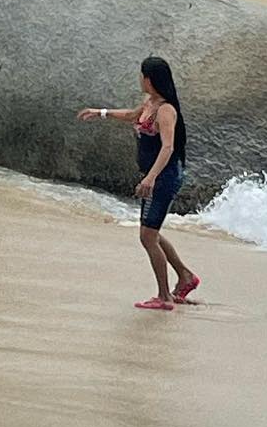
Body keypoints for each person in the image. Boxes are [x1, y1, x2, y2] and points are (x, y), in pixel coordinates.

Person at [78, 56, 199, 311]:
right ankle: (185, 276)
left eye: (142, 75)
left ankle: (165, 297)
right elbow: (132, 115)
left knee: (147, 236)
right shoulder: (150, 102)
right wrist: (100, 112)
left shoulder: (166, 110)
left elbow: (168, 147)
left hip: (164, 177)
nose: (139, 79)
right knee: (150, 233)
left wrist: (150, 178)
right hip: (156, 175)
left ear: (150, 79)